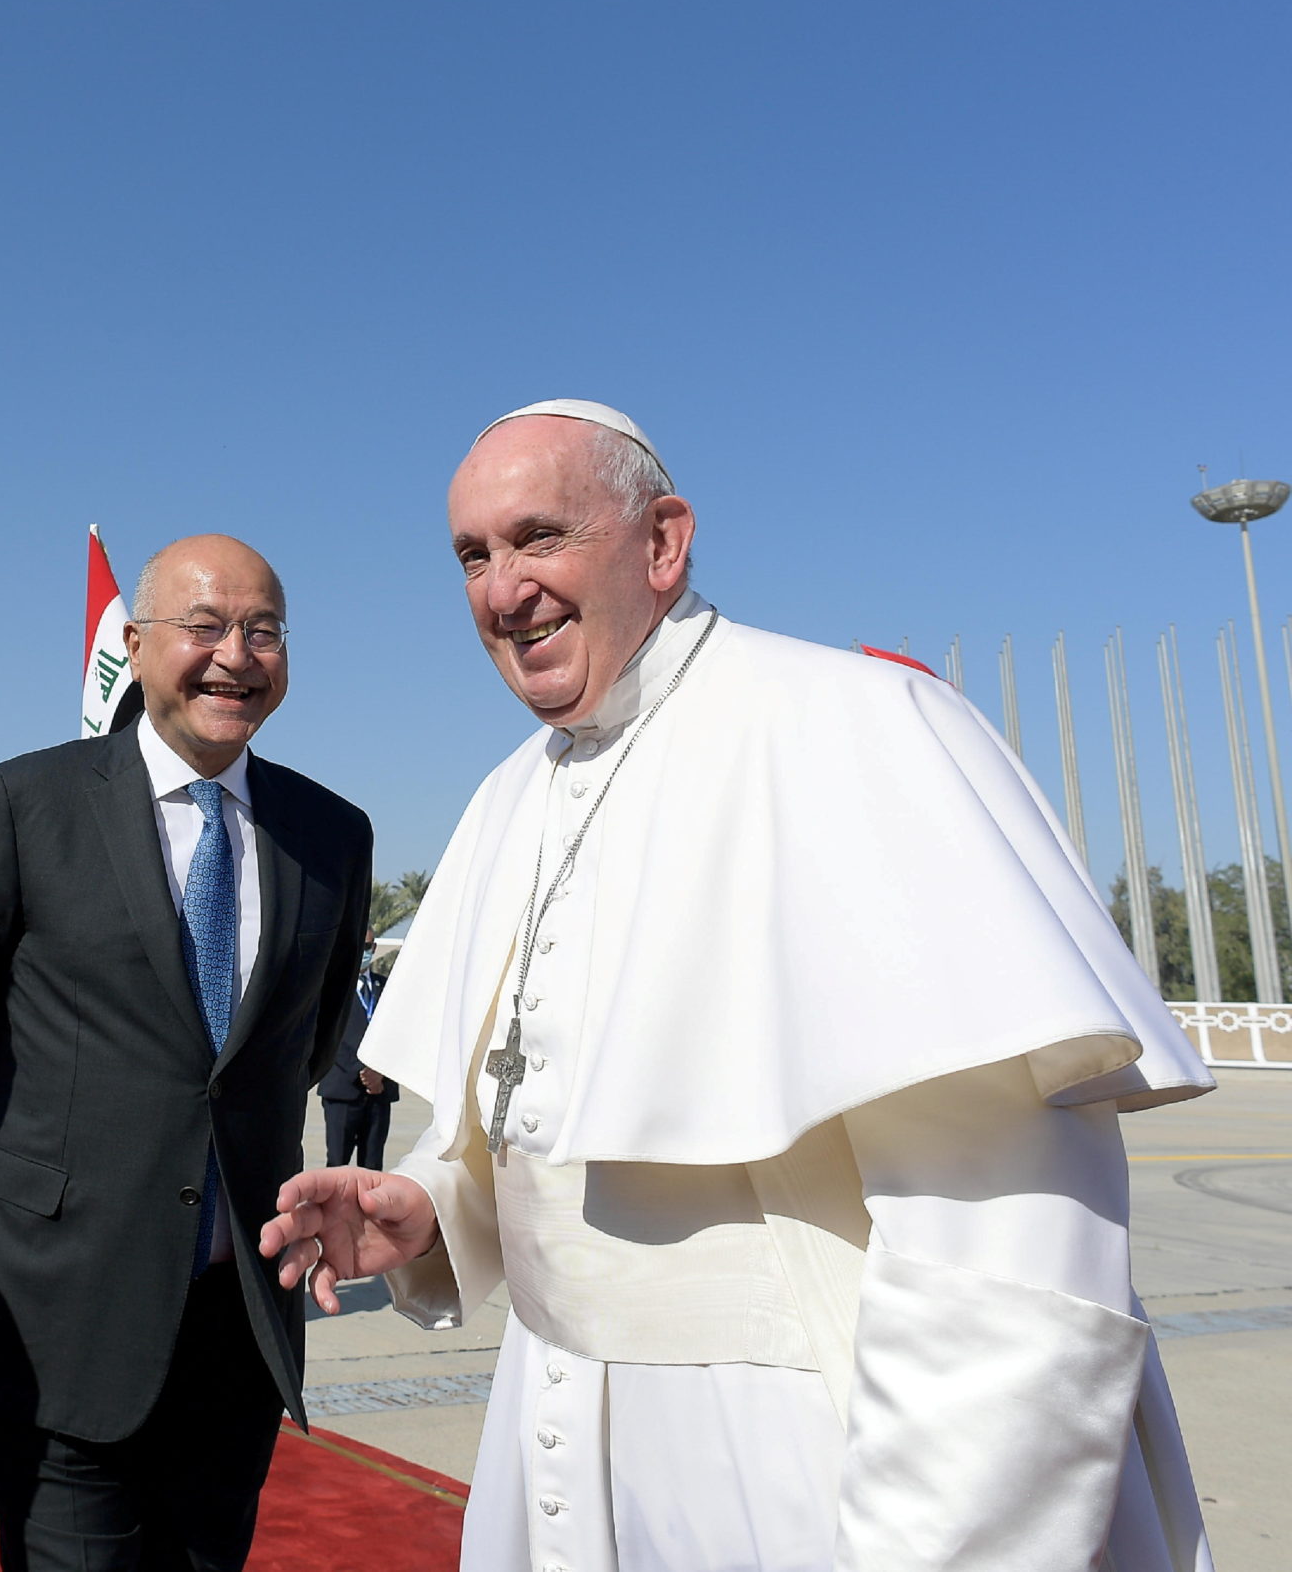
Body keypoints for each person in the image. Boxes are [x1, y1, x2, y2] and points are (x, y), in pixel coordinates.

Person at [262, 400, 1214, 1571]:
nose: (504, 590)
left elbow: (1007, 1245)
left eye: (539, 536)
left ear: (661, 540)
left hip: (800, 1457)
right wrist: (438, 1212)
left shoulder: (854, 727)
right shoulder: (508, 795)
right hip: (546, 1439)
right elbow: (546, 1126)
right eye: (474, 554)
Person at [0, 534, 374, 1572]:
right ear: (134, 643)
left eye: (263, 630)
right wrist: (57, 1155)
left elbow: (295, 1048)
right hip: (55, 1307)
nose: (234, 655)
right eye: (203, 626)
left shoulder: (331, 835)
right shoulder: (25, 803)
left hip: (235, 1329)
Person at [316, 938, 397, 1171]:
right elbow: (327, 1035)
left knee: (372, 1167)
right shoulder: (332, 987)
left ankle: (368, 1208)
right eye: (360, 943)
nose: (365, 951)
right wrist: (362, 1071)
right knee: (337, 1164)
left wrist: (379, 1073)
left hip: (379, 1092)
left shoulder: (387, 987)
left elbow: (398, 1031)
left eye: (369, 946)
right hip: (343, 1090)